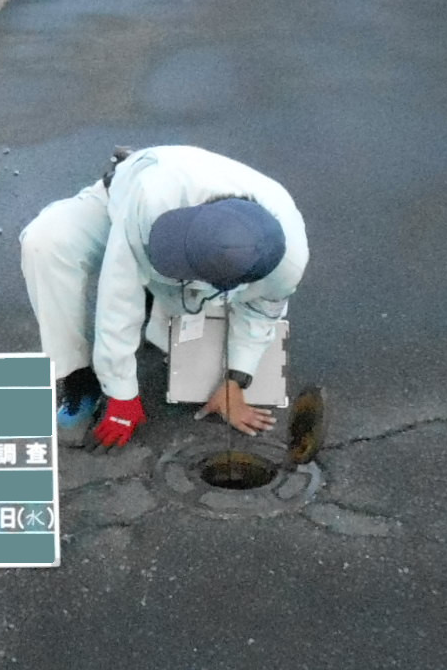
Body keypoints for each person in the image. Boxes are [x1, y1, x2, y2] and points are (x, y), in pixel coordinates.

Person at [19, 144, 307, 449]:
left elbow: (260, 313)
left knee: (185, 345)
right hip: (127, 202)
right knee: (45, 243)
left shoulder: (288, 262)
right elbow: (117, 296)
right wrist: (122, 394)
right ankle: (78, 378)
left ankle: (158, 299)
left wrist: (235, 380)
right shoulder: (153, 198)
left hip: (203, 259)